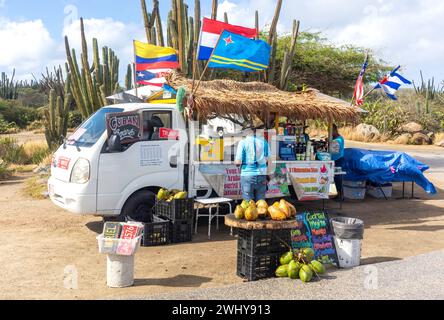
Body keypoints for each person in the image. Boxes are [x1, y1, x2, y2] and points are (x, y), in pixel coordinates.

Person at [235, 129, 271, 202]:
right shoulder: (264, 142)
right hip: (262, 175)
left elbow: (238, 162)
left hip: (247, 176)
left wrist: (236, 163)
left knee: (248, 205)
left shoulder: (242, 142)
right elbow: (269, 160)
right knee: (261, 204)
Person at [330, 124, 345, 200]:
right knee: (335, 177)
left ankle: (340, 194)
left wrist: (330, 142)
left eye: (331, 131)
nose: (330, 132)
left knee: (338, 177)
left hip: (338, 159)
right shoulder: (335, 138)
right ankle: (337, 194)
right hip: (334, 159)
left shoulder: (338, 139)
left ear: (335, 130)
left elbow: (335, 149)